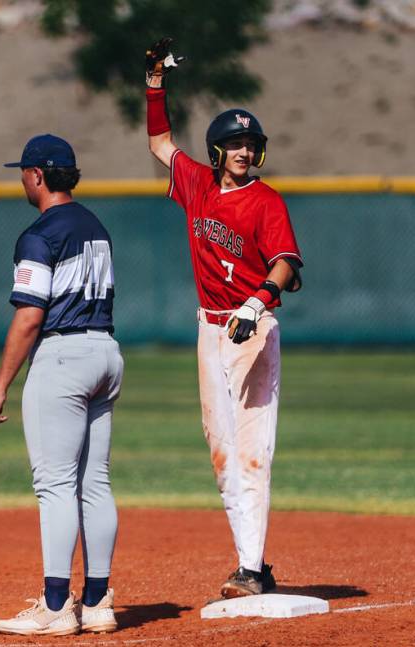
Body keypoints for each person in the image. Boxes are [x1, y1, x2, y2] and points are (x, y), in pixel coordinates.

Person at [144, 38, 303, 599]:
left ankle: (252, 568)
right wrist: (156, 85)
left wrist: (256, 304)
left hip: (251, 327)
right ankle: (251, 559)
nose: (242, 151)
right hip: (209, 327)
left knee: (253, 448)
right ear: (216, 152)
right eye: (234, 144)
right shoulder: (197, 185)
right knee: (219, 448)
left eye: (249, 144)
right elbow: (160, 142)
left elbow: (285, 262)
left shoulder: (268, 201)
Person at [0, 134, 124, 635]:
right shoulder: (96, 226)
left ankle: (55, 605)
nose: (21, 179)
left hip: (63, 356)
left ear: (37, 175)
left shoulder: (39, 233)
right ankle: (98, 602)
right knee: (95, 482)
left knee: (55, 484)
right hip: (106, 351)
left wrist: (1, 383)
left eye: (22, 171)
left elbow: (29, 317)